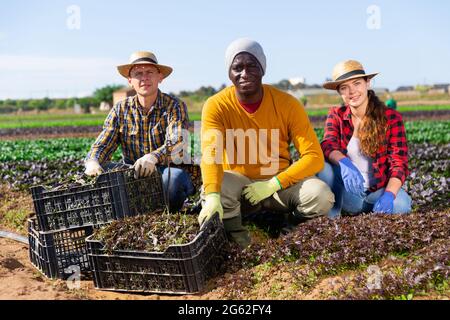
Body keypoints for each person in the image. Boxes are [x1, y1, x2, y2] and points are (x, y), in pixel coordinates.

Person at [198, 38, 334, 248]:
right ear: (229, 73)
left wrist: (274, 184)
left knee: (320, 195)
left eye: (252, 66)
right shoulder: (216, 105)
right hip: (240, 185)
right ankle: (241, 242)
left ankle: (289, 234)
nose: (244, 73)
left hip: (278, 184)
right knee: (217, 188)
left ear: (262, 69)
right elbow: (210, 154)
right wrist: (213, 195)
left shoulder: (287, 104)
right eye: (237, 67)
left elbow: (314, 156)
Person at [84, 51, 194, 212]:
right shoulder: (120, 109)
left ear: (160, 77)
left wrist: (153, 157)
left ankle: (168, 212)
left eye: (150, 72)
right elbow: (103, 143)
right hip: (132, 172)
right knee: (100, 171)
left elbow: (178, 143)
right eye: (138, 74)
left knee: (174, 181)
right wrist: (93, 161)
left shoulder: (174, 106)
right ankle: (129, 210)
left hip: (166, 170)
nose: (144, 78)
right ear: (130, 81)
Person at [317, 60, 412, 218]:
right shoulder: (337, 115)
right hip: (349, 193)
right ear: (340, 93)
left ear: (367, 83)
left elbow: (399, 162)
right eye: (344, 87)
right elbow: (328, 144)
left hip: (379, 191)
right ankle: (332, 216)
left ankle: (378, 208)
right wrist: (344, 162)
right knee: (322, 167)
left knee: (401, 204)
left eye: (356, 84)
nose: (352, 91)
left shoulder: (391, 118)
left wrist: (389, 195)